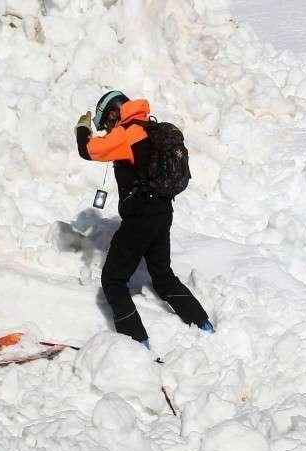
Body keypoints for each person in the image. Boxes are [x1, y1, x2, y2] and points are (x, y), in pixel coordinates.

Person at [75, 90, 214, 347]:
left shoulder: (127, 132)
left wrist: (83, 128)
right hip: (163, 211)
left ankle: (136, 342)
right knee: (163, 276)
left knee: (114, 280)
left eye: (106, 122)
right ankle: (204, 324)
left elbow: (88, 150)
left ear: (116, 112)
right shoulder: (149, 128)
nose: (106, 129)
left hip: (141, 216)